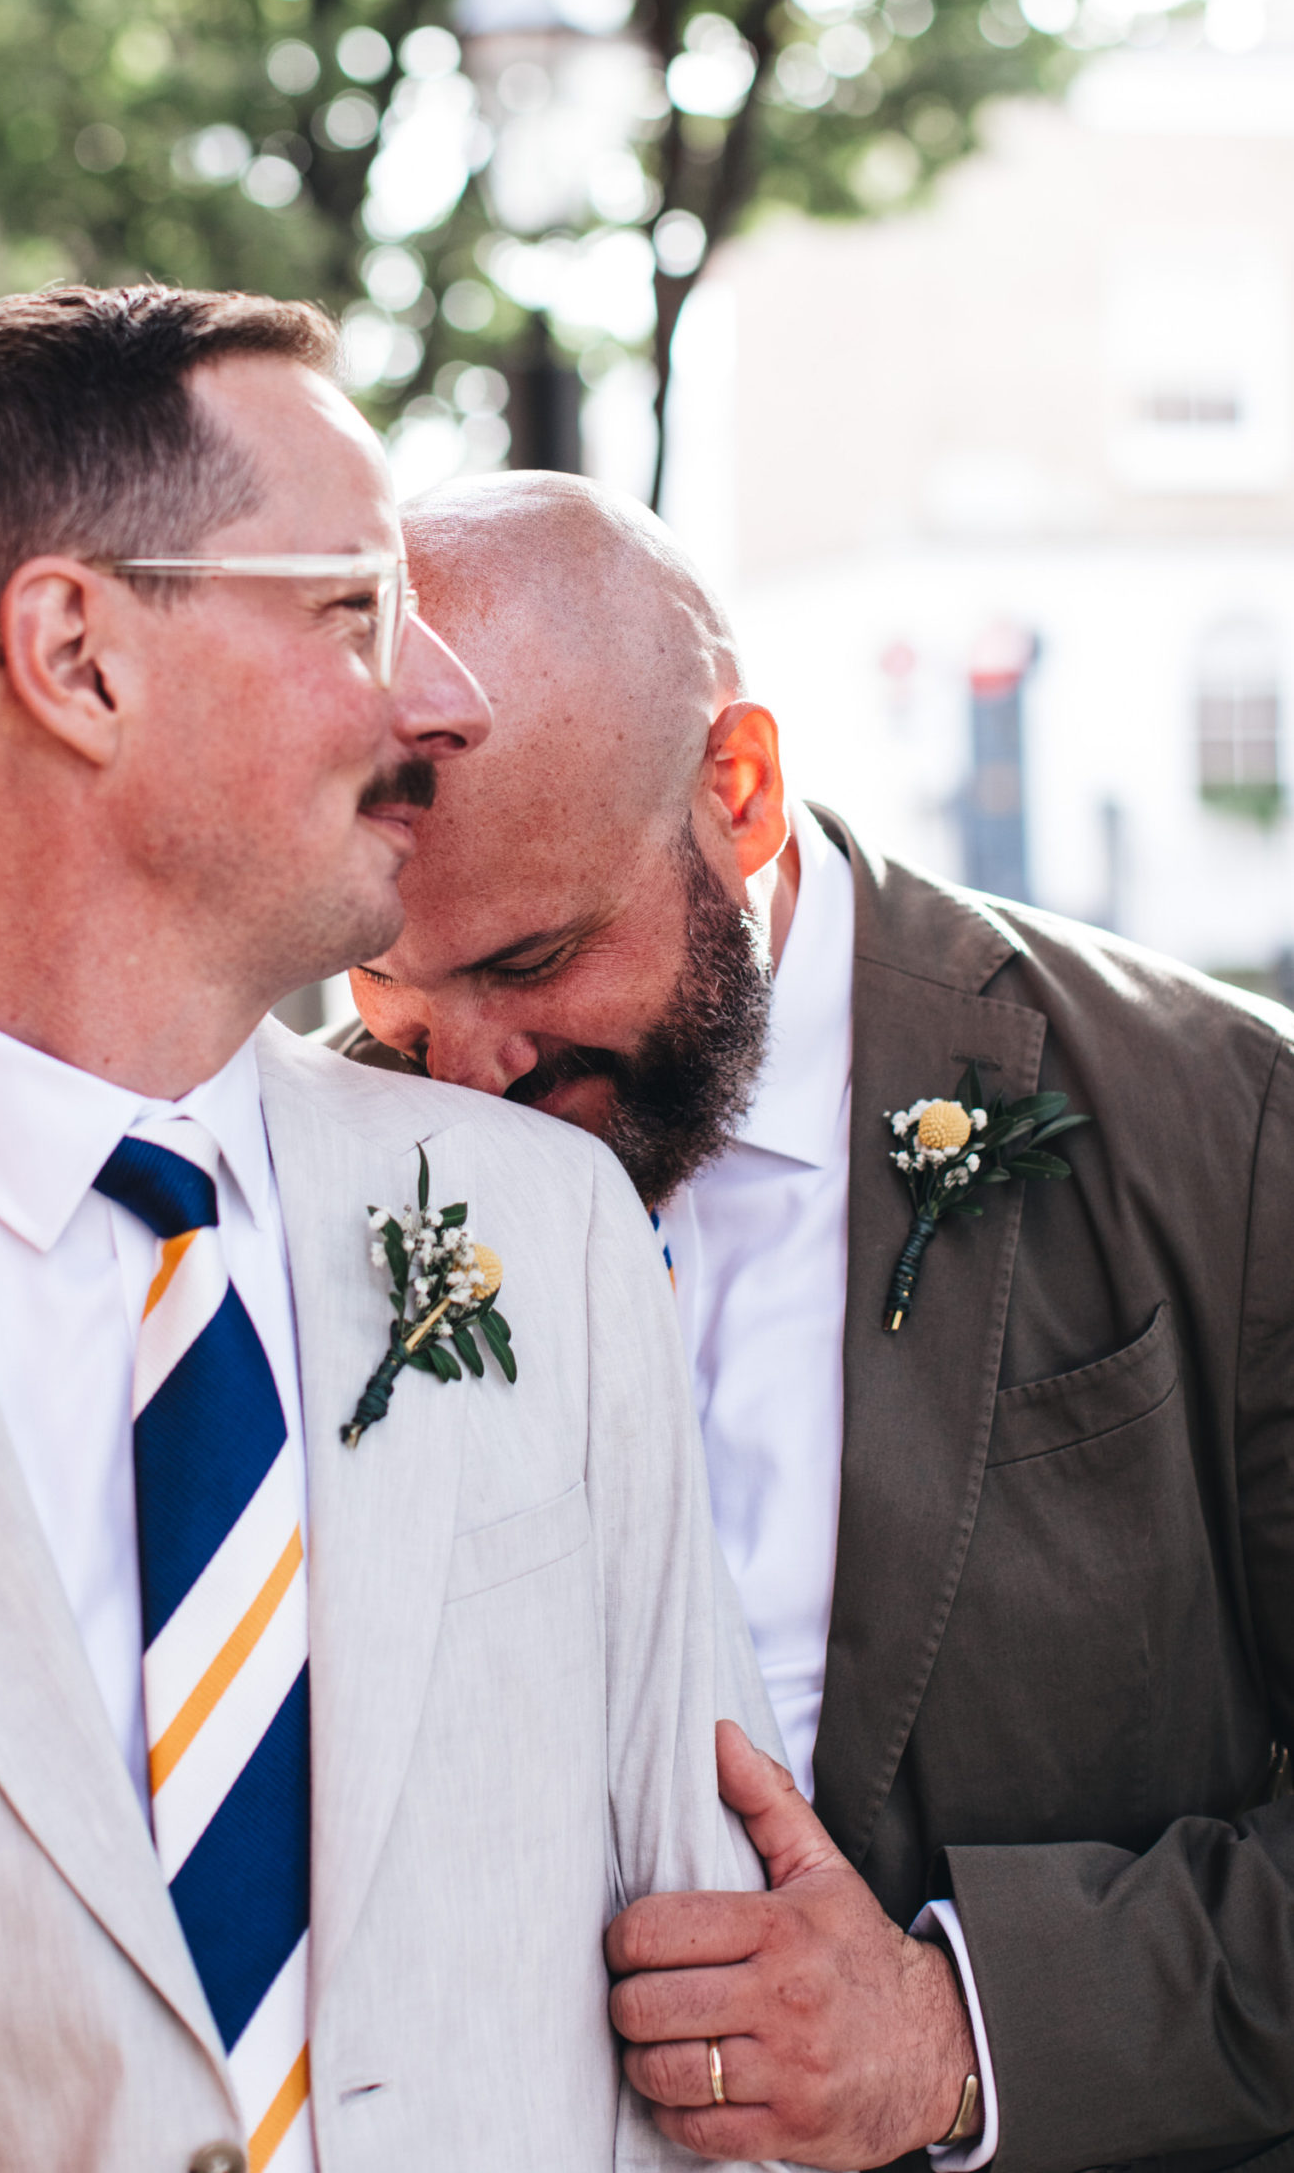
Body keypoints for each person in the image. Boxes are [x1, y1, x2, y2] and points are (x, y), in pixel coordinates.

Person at [0, 298, 782, 2173]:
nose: (443, 698)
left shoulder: (540, 1230)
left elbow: (723, 2024)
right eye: (356, 609)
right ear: (78, 657)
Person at [330, 473, 1294, 2173]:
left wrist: (957, 2034)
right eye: (393, 991)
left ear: (741, 790)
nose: (469, 1071)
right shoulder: (294, 1180)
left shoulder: (1226, 1133)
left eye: (536, 956)